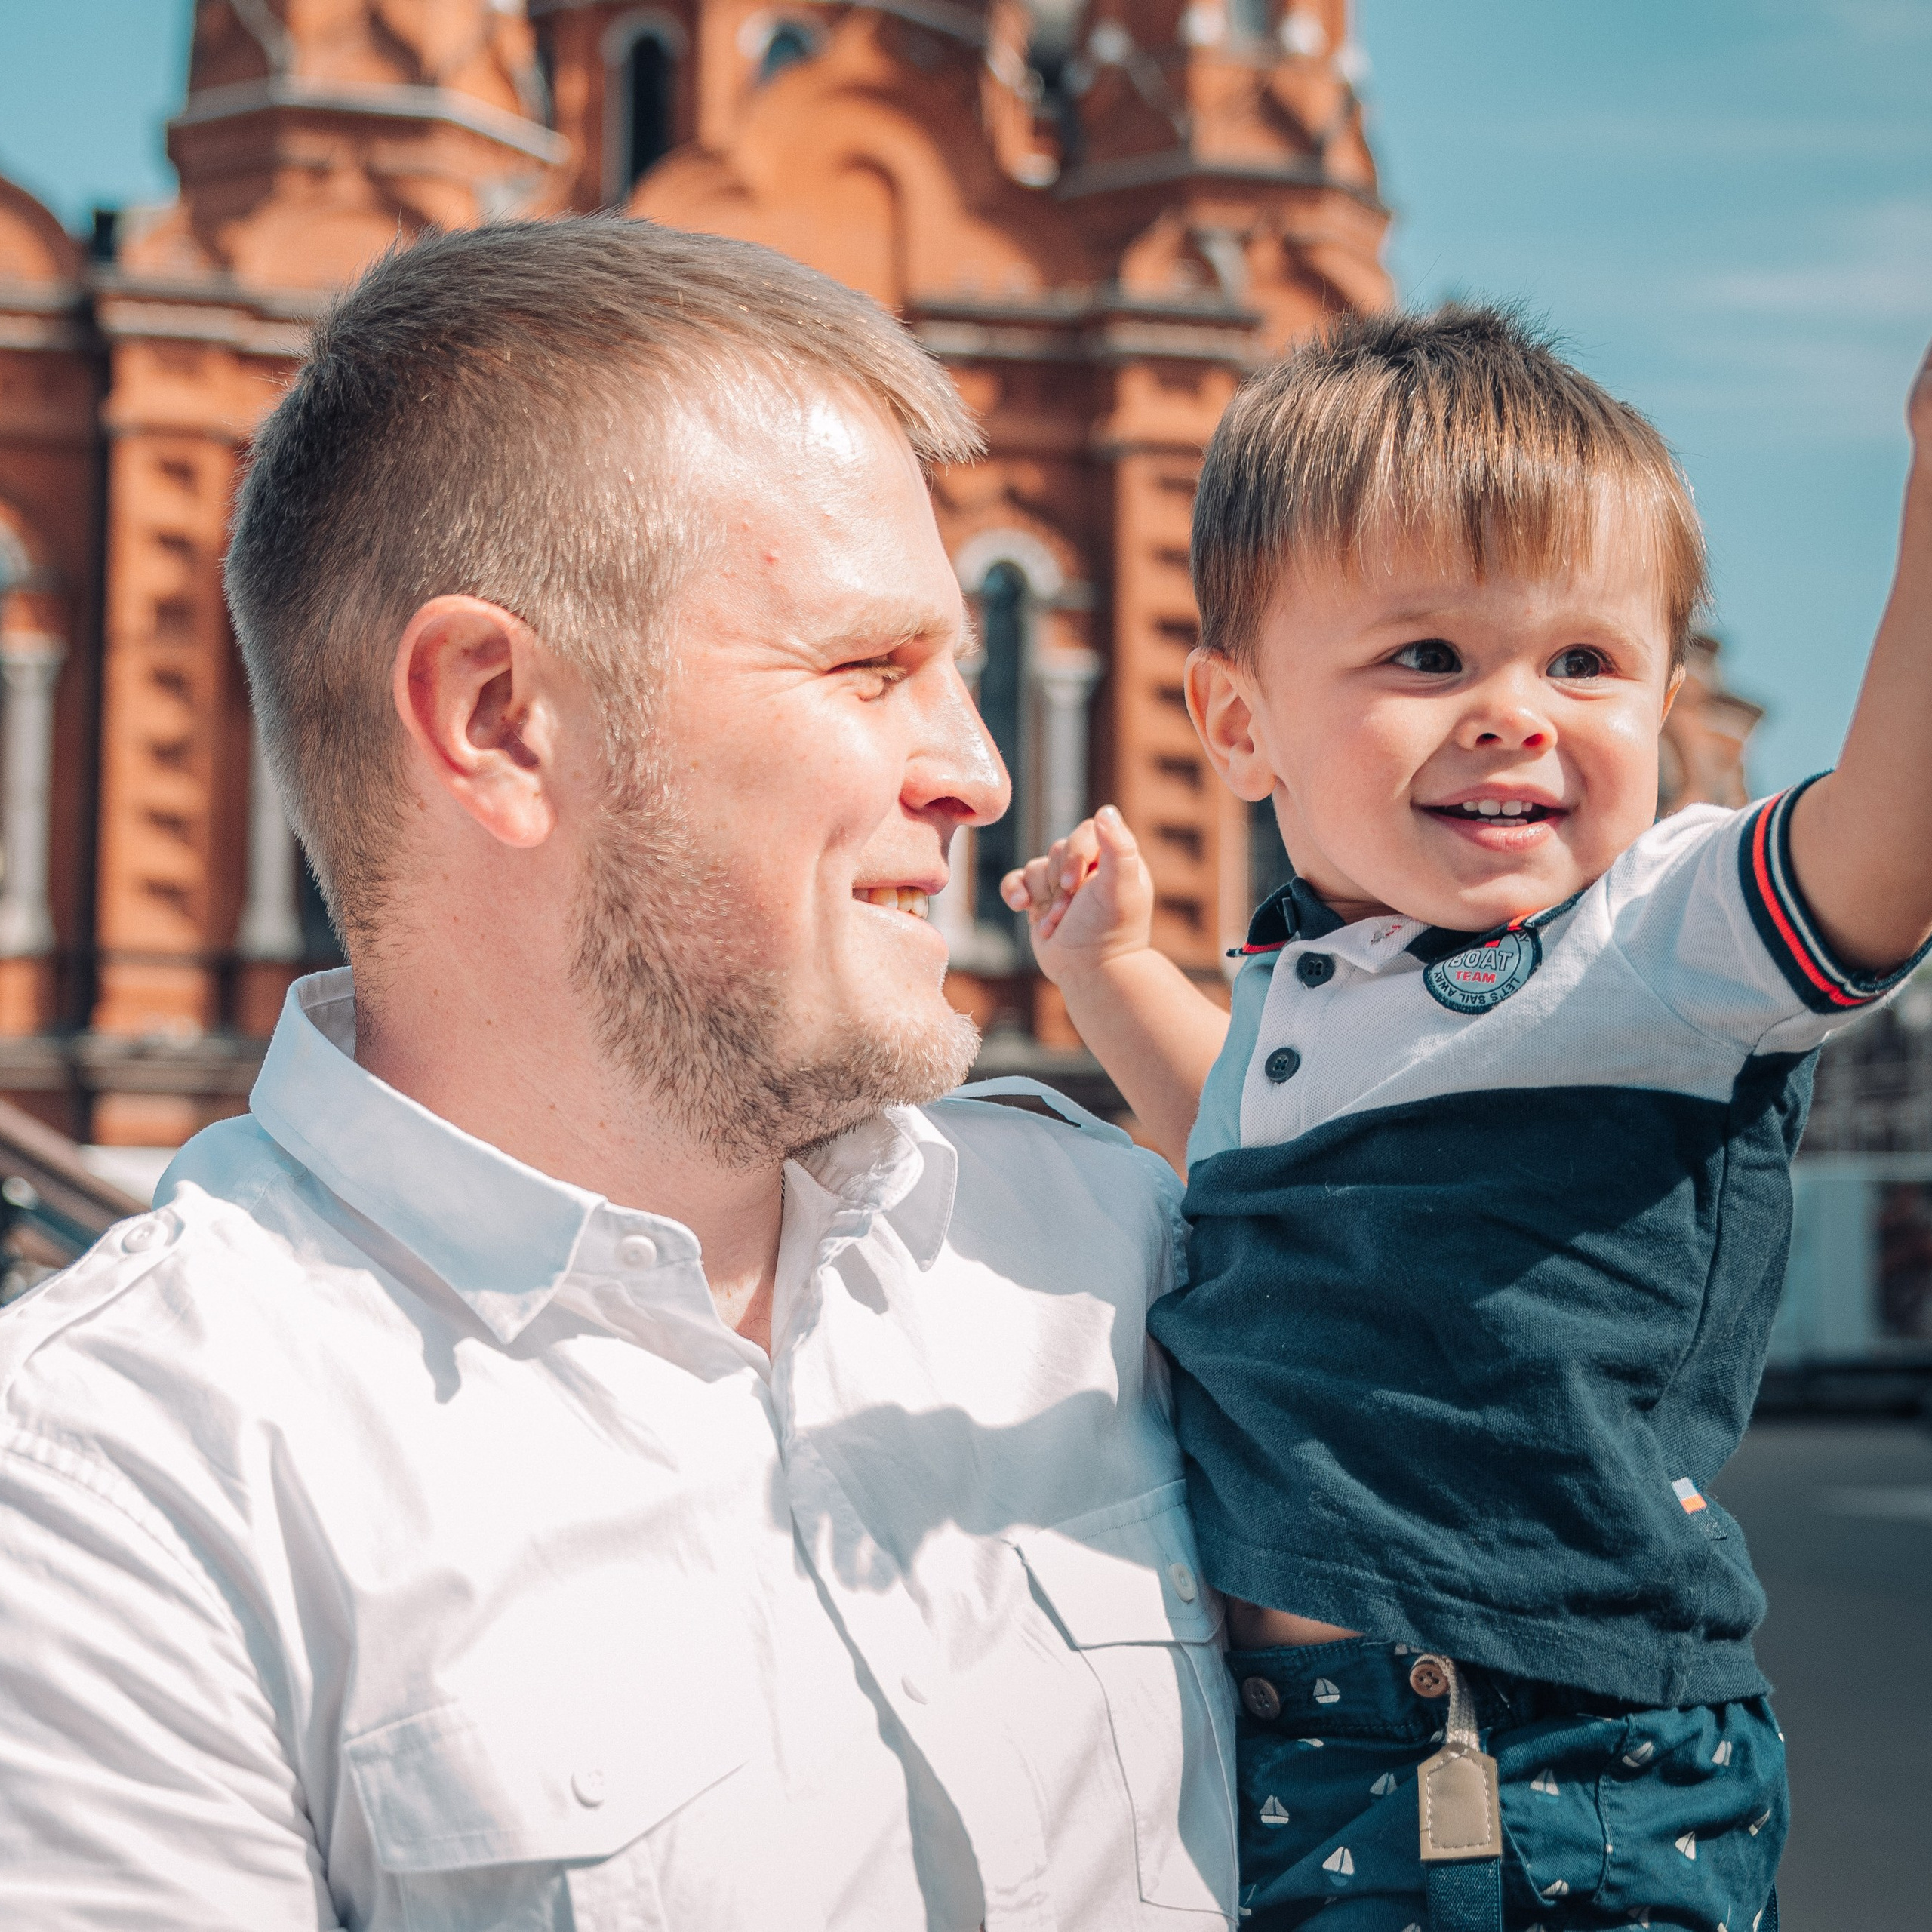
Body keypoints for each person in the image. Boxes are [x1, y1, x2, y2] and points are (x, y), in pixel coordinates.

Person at [0, 219, 1238, 1930]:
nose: (978, 769)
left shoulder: (1110, 1242)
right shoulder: (117, 1481)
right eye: (869, 668)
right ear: (501, 716)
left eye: (962, 663)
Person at [1002, 306, 1932, 1931]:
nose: (1515, 709)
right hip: (1302, 1758)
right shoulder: (1313, 985)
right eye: (1427, 655)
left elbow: (1883, 844)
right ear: (1236, 723)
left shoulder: (1656, 937)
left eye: (1582, 659)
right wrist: (1105, 967)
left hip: (1542, 1753)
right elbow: (1228, 1134)